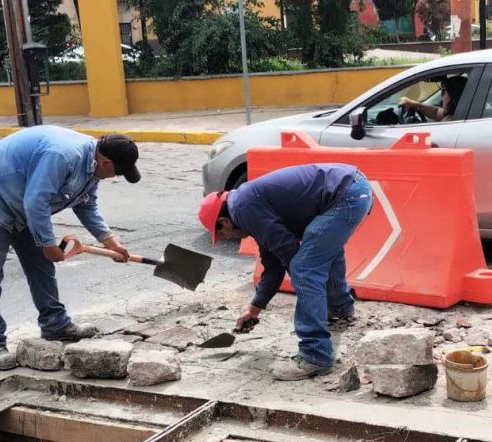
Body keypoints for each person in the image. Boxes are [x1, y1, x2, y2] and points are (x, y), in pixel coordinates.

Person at [0, 126, 141, 370]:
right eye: (117, 172)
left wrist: (110, 241)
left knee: (40, 265)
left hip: (22, 200)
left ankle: (55, 324)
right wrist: (48, 244)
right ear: (106, 162)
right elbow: (36, 202)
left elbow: (86, 204)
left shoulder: (93, 166)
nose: (115, 177)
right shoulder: (63, 155)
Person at [198, 163, 373, 381]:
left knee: (305, 267)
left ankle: (315, 355)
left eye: (222, 234)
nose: (227, 238)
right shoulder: (247, 206)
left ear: (224, 221)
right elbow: (273, 266)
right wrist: (254, 307)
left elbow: (291, 256)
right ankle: (339, 308)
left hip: (346, 195)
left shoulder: (244, 208)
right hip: (353, 188)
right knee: (321, 253)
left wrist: (306, 285)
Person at [399, 75, 468, 122]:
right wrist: (415, 104)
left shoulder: (450, 121)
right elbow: (436, 112)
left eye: (443, 91)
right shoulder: (460, 113)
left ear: (452, 96)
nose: (442, 95)